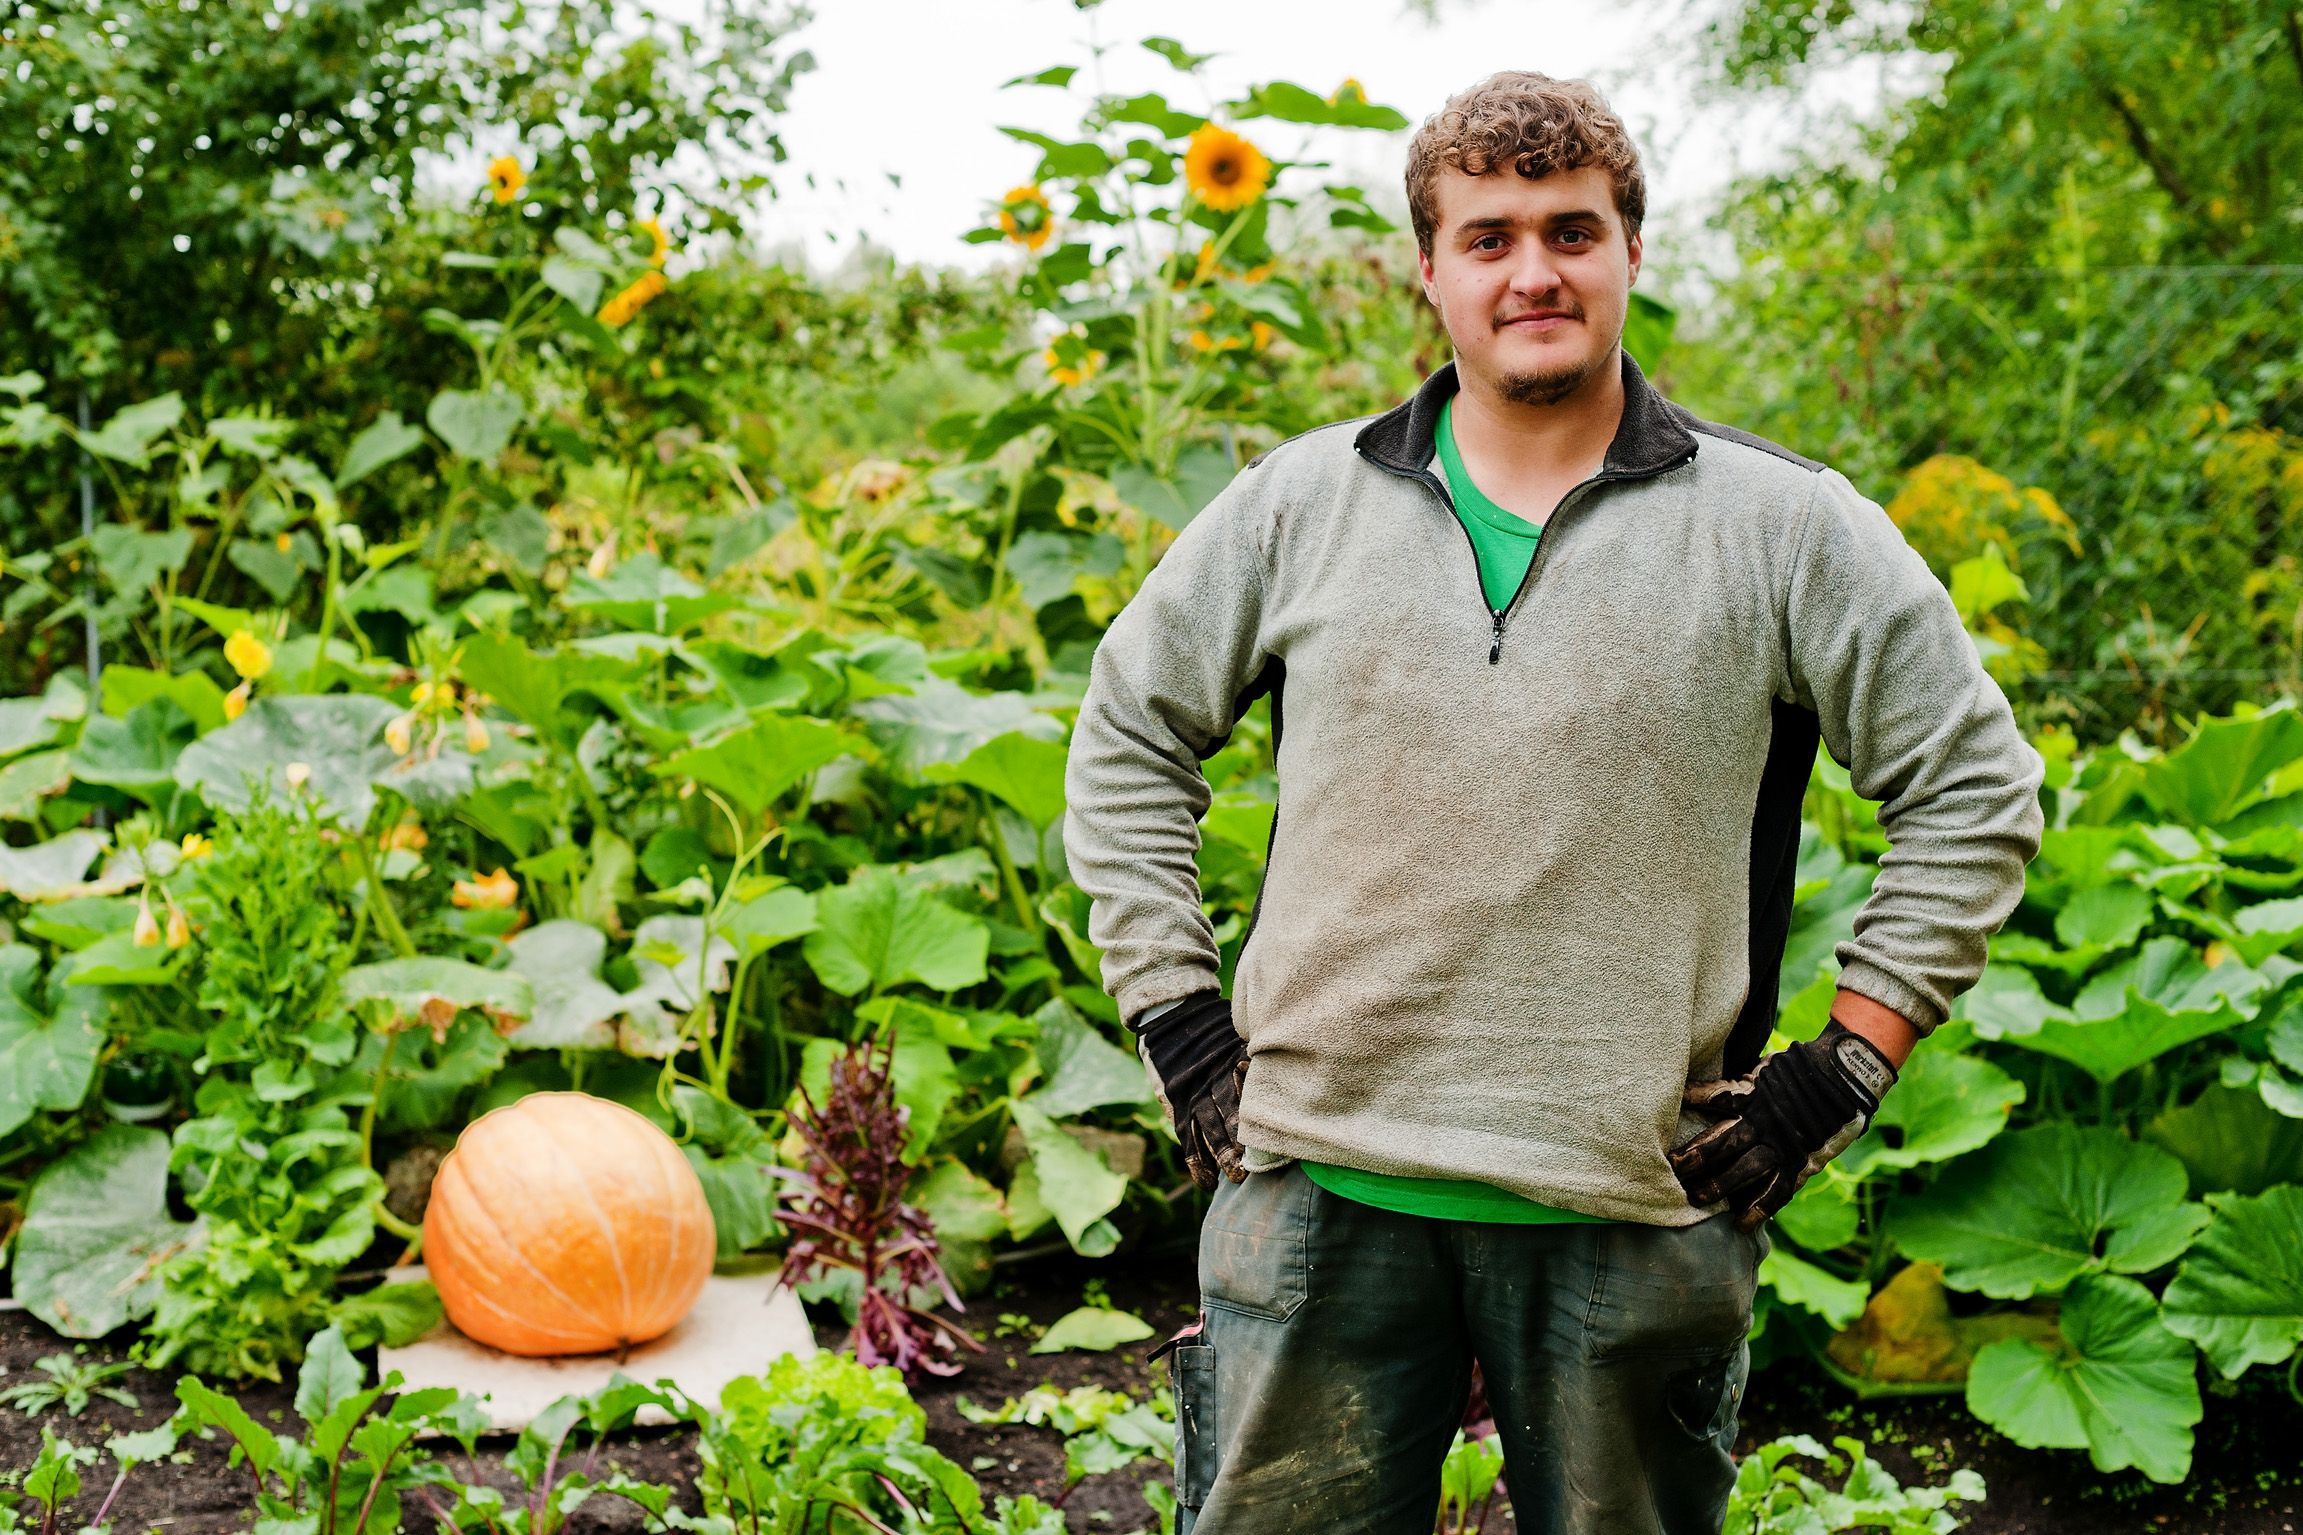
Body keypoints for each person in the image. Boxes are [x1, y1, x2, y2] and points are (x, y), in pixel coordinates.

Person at [1060, 70, 2044, 1535]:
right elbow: (1130, 729)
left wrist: (1843, 1067)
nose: (1535, 272)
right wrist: (1177, 1014)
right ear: (1431, 269)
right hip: (1321, 1192)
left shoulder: (1783, 530)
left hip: (1630, 1208)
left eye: (1573, 232)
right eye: (1491, 237)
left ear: (1631, 252)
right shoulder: (1296, 507)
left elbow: (1974, 788)